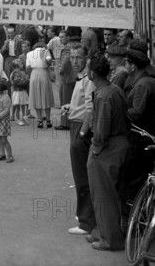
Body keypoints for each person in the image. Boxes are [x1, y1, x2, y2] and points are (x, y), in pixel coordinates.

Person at [86, 54, 129, 252]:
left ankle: (110, 239)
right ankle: (103, 231)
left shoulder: (103, 95)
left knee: (103, 194)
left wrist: (95, 149)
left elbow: (101, 132)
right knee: (110, 193)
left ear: (92, 73)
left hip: (107, 148)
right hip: (120, 143)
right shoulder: (115, 89)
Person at [62, 44, 96, 237]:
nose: (74, 61)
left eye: (78, 58)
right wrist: (71, 106)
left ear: (86, 59)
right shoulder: (81, 78)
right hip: (75, 124)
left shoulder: (88, 80)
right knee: (80, 176)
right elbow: (83, 104)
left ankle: (86, 222)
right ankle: (84, 215)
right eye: (72, 57)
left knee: (82, 177)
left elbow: (91, 111)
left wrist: (82, 134)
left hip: (81, 129)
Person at [119, 47, 155, 213]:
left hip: (140, 140)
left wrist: (118, 112)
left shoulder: (142, 85)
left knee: (132, 183)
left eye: (127, 63)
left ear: (133, 66)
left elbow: (136, 113)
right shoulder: (145, 81)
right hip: (143, 139)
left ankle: (131, 223)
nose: (124, 66)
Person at [26, 41, 54, 128]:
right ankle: (48, 120)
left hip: (34, 74)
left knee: (36, 97)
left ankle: (40, 120)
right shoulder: (45, 51)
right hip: (44, 73)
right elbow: (49, 60)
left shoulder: (29, 53)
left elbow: (27, 67)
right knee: (46, 96)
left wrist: (29, 74)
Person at [10, 59, 29, 125]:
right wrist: (24, 81)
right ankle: (18, 119)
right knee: (18, 106)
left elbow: (25, 79)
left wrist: (26, 80)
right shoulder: (15, 73)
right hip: (17, 91)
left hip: (22, 91)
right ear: (17, 65)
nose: (22, 65)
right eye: (21, 64)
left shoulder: (22, 72)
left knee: (23, 105)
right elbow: (16, 82)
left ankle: (23, 117)